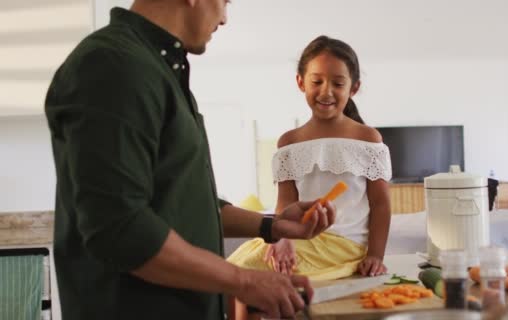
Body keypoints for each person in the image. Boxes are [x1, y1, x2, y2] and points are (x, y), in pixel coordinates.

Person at [44, 1, 337, 320]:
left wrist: (273, 225)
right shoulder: (113, 65)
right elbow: (120, 228)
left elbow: (180, 204)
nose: (225, 18)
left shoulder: (155, 68)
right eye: (225, 1)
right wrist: (244, 280)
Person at [227, 35, 392, 319]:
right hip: (301, 238)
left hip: (343, 244)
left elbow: (381, 204)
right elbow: (285, 204)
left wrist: (375, 255)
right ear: (301, 83)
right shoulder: (288, 142)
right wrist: (282, 240)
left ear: (354, 88)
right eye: (316, 82)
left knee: (247, 272)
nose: (326, 91)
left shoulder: (368, 138)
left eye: (338, 83)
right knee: (232, 267)